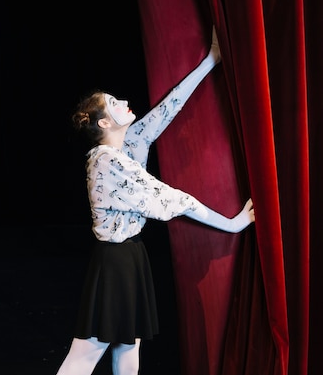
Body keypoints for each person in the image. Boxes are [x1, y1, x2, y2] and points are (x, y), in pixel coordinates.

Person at [56, 28, 255, 375]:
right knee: (87, 354)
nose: (122, 102)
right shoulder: (106, 159)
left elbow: (167, 110)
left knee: (128, 346)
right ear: (105, 122)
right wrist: (232, 223)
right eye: (113, 104)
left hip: (129, 256)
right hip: (115, 261)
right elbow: (172, 199)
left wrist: (210, 61)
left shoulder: (125, 146)